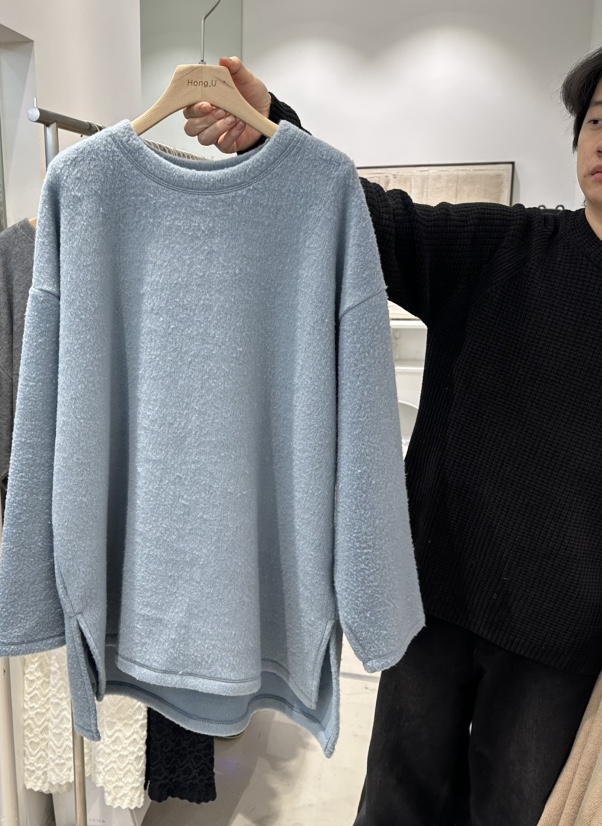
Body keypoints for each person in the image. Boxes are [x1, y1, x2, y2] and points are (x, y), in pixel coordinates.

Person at [183, 53, 602, 826]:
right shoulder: (504, 247)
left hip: (563, 628)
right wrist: (273, 130)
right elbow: (365, 217)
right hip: (435, 591)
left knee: (517, 811)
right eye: (598, 120)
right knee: (398, 801)